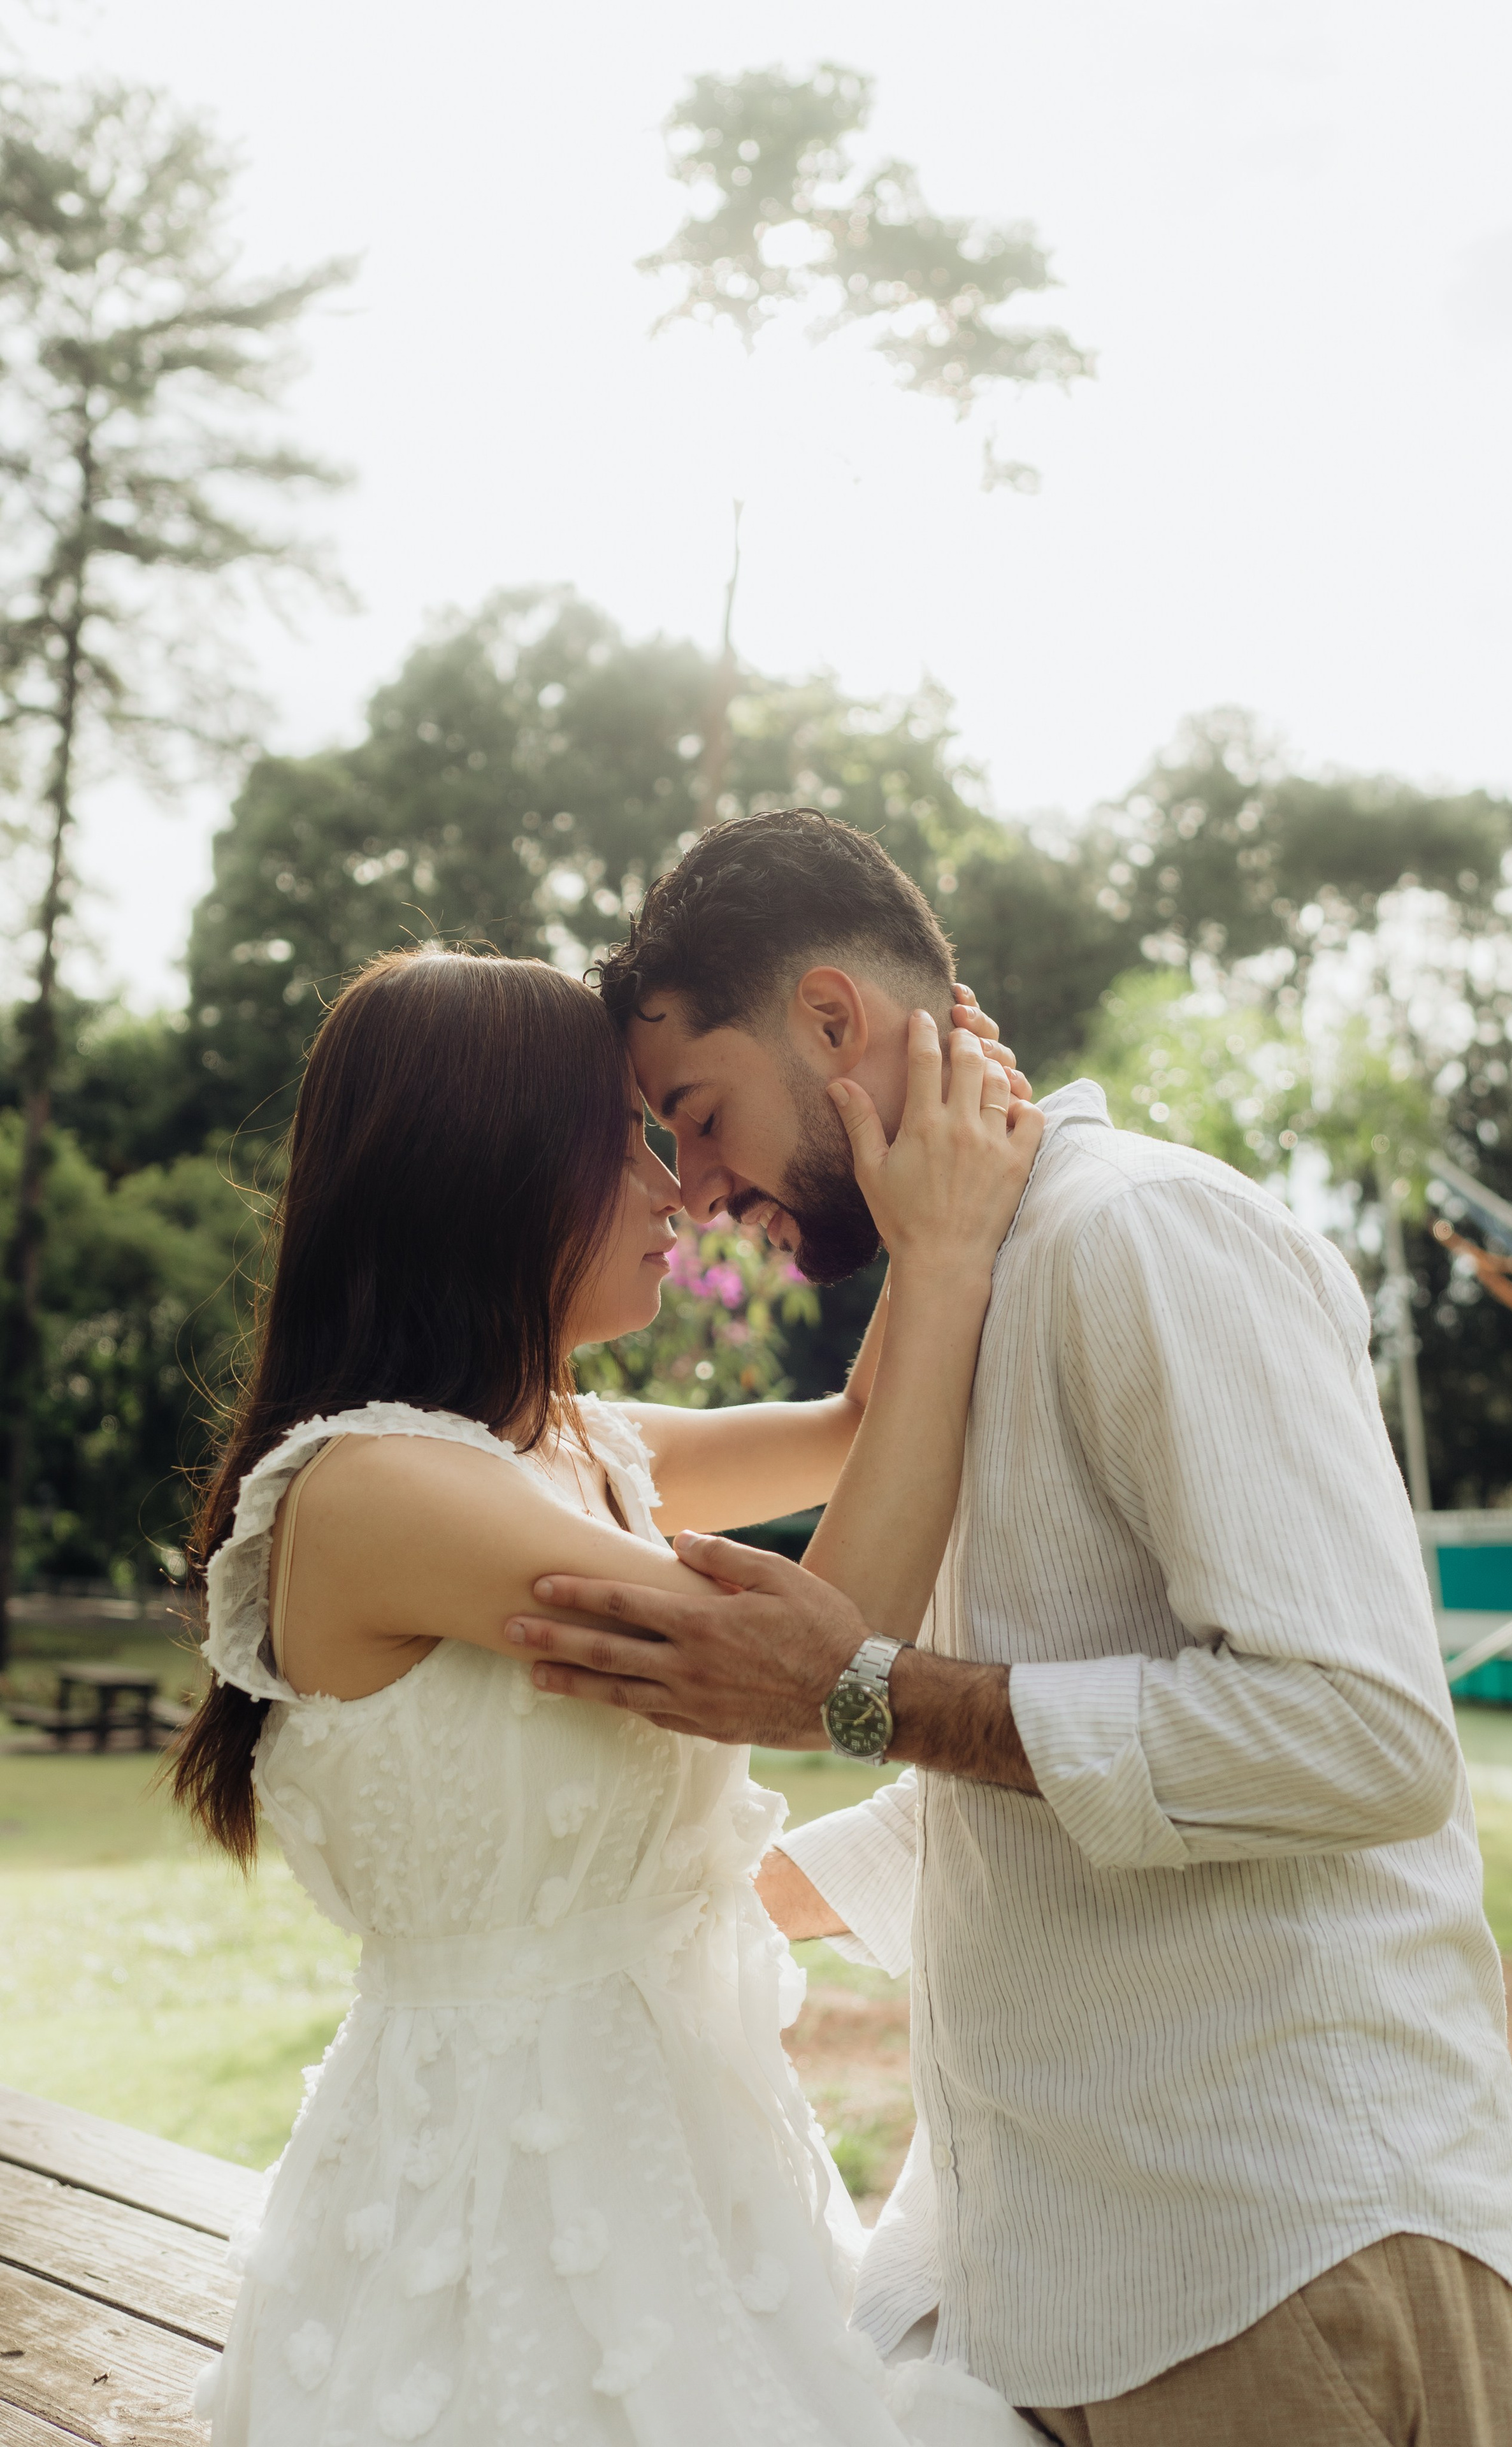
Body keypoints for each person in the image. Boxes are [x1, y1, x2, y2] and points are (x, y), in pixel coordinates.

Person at [501, 808, 1512, 2447]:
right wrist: (690, 1895)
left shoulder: (1139, 1231)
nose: (694, 1190)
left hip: (1281, 2259)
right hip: (1054, 2281)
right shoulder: (969, 1290)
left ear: (835, 1022)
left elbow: (1363, 1739)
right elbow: (1029, 1749)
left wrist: (860, 1694)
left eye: (696, 1116)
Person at [169, 943, 1044, 2447]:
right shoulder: (376, 1491)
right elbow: (831, 1641)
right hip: (498, 2209)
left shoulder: (581, 1444)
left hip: (688, 2159)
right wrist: (950, 1259)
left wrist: (910, 1143)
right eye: (623, 1148)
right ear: (484, 1179)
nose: (677, 1193)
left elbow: (854, 1426)